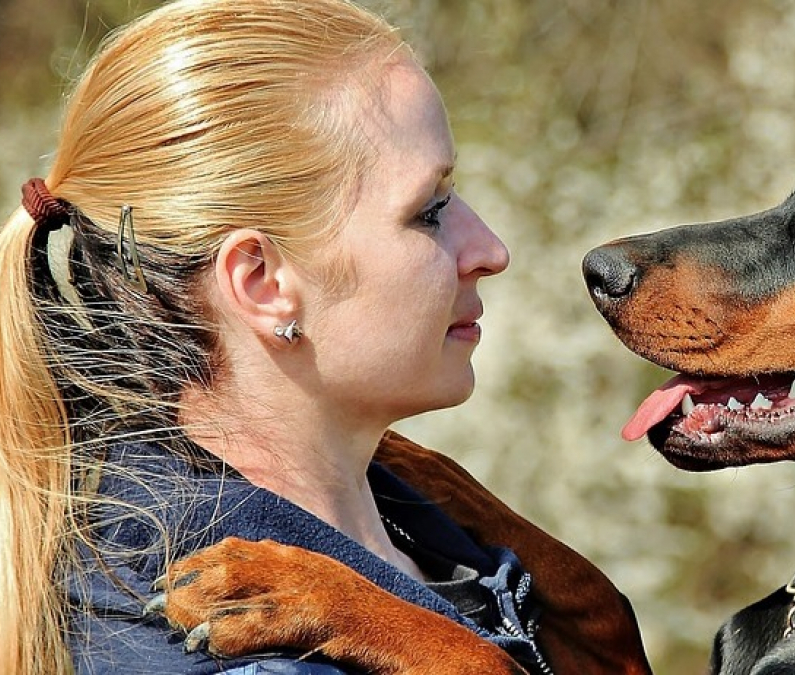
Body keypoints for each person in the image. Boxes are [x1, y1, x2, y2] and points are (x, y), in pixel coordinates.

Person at [0, 1, 648, 673]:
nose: (491, 248)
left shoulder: (417, 512)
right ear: (262, 281)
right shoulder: (234, 642)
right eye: (428, 212)